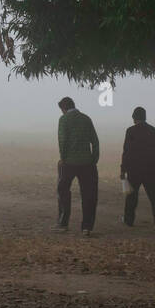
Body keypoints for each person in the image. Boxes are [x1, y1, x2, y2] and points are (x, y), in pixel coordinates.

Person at [56, 96, 100, 236]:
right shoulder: (86, 119)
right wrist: (94, 159)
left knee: (63, 190)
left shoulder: (64, 120)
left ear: (63, 108)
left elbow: (62, 141)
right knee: (89, 195)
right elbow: (95, 141)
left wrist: (62, 158)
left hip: (69, 162)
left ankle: (63, 223)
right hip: (87, 163)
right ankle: (87, 227)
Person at [121, 106, 155, 230]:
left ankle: (129, 219)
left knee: (131, 197)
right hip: (150, 170)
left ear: (134, 118)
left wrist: (123, 169)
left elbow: (127, 152)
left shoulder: (130, 131)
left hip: (134, 170)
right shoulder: (153, 131)